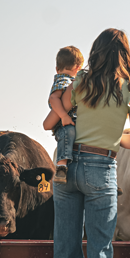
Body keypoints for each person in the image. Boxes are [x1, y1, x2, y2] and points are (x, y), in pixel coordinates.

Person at [51, 29, 130, 258]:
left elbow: (59, 114)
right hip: (101, 167)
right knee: (100, 247)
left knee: (66, 243)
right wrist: (114, 137)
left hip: (67, 166)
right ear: (125, 54)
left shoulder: (81, 80)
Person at [42, 46, 84, 184]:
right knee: (68, 133)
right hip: (63, 124)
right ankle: (61, 166)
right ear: (78, 68)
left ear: (57, 68)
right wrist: (64, 116)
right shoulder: (63, 80)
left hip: (73, 121)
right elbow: (54, 99)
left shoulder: (71, 81)